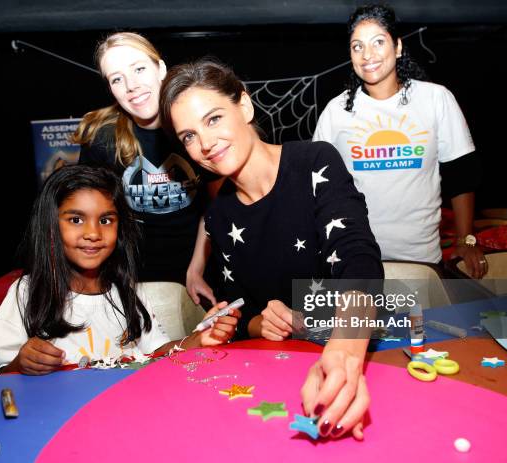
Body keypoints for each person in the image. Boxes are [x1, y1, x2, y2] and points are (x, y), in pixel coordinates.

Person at [160, 59, 383, 439]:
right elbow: (241, 309)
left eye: (213, 119)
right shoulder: (217, 217)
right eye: (188, 136)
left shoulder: (315, 160)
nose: (205, 144)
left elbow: (359, 259)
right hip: (274, 386)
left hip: (358, 353)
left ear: (244, 107)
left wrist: (342, 348)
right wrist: (258, 323)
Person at [0, 165, 239, 376]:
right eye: (76, 220)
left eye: (105, 220)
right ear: (50, 226)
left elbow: (154, 354)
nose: (93, 233)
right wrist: (20, 365)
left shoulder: (126, 291)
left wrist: (196, 339)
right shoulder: (26, 292)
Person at [313, 4, 487, 278]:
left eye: (378, 42)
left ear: (397, 47)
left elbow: (462, 173)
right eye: (357, 46)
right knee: (359, 324)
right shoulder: (336, 112)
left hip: (421, 262)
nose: (367, 55)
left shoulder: (436, 99)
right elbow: (317, 187)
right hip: (354, 259)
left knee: (420, 323)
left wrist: (465, 240)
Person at [73, 32, 220, 300]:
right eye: (117, 78)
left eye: (139, 69)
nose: (131, 85)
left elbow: (217, 206)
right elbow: (95, 216)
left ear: (161, 68)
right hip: (131, 278)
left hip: (202, 270)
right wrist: (113, 275)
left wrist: (197, 269)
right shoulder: (102, 138)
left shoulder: (195, 123)